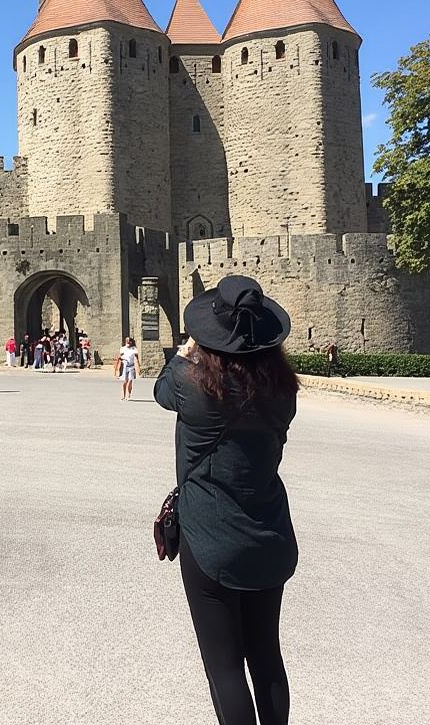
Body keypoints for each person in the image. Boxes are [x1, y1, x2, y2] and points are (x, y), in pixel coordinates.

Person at [154, 275, 299, 725]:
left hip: (209, 536)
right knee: (266, 657)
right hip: (269, 530)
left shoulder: (189, 381)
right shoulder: (283, 390)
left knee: (224, 669)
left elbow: (161, 391)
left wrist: (182, 354)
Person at [118, 336, 140, 400]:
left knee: (130, 380)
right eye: (126, 341)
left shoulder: (134, 349)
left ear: (131, 342)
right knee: (125, 381)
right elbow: (119, 357)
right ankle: (123, 395)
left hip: (131, 366)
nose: (127, 342)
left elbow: (136, 358)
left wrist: (138, 366)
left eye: (129, 341)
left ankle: (128, 394)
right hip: (124, 366)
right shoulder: (122, 348)